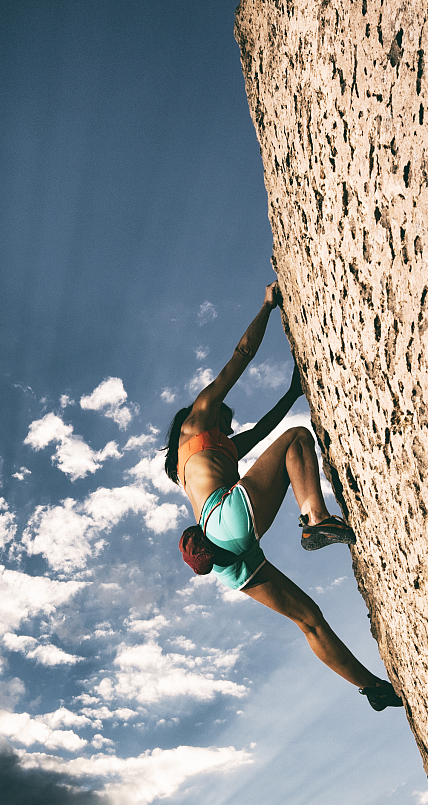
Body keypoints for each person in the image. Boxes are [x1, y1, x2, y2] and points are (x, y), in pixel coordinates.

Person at [165, 281, 404, 711]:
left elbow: (259, 432)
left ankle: (373, 688)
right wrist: (266, 307)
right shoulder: (197, 420)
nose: (229, 427)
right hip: (224, 519)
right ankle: (315, 519)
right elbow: (241, 355)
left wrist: (292, 394)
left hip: (224, 557)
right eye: (226, 420)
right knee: (297, 437)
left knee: (308, 619)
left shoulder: (200, 456)